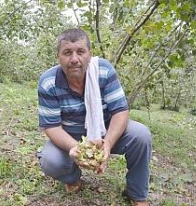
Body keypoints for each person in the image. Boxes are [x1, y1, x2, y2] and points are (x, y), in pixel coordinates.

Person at [37, 28, 152, 206]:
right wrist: (78, 149)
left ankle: (136, 193)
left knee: (141, 135)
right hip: (71, 134)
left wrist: (108, 144)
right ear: (58, 56)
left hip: (104, 130)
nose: (74, 59)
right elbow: (51, 126)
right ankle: (73, 178)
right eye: (67, 53)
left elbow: (120, 111)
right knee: (50, 160)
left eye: (80, 52)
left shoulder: (103, 70)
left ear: (90, 54)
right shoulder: (48, 82)